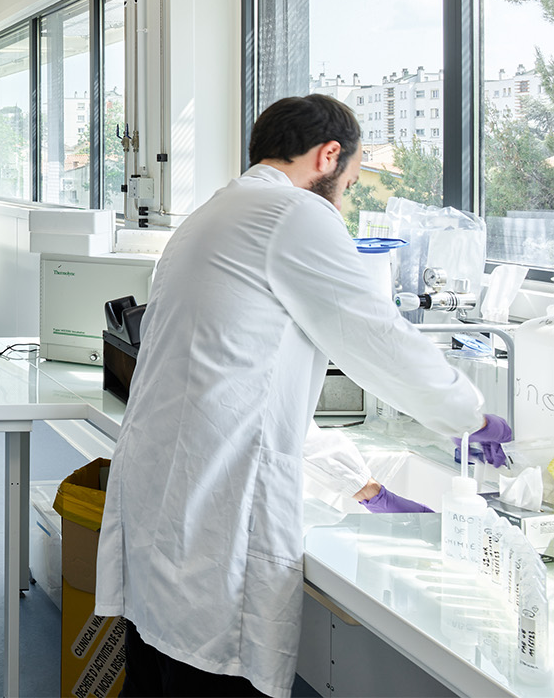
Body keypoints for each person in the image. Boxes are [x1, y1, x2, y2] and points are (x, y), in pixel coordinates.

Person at [95, 94, 512, 698]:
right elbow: (376, 337)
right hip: (214, 518)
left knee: (161, 677)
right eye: (350, 181)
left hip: (166, 501)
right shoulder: (295, 215)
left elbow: (245, 393)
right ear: (329, 155)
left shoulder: (213, 213)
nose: (346, 196)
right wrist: (468, 415)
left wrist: (356, 482)